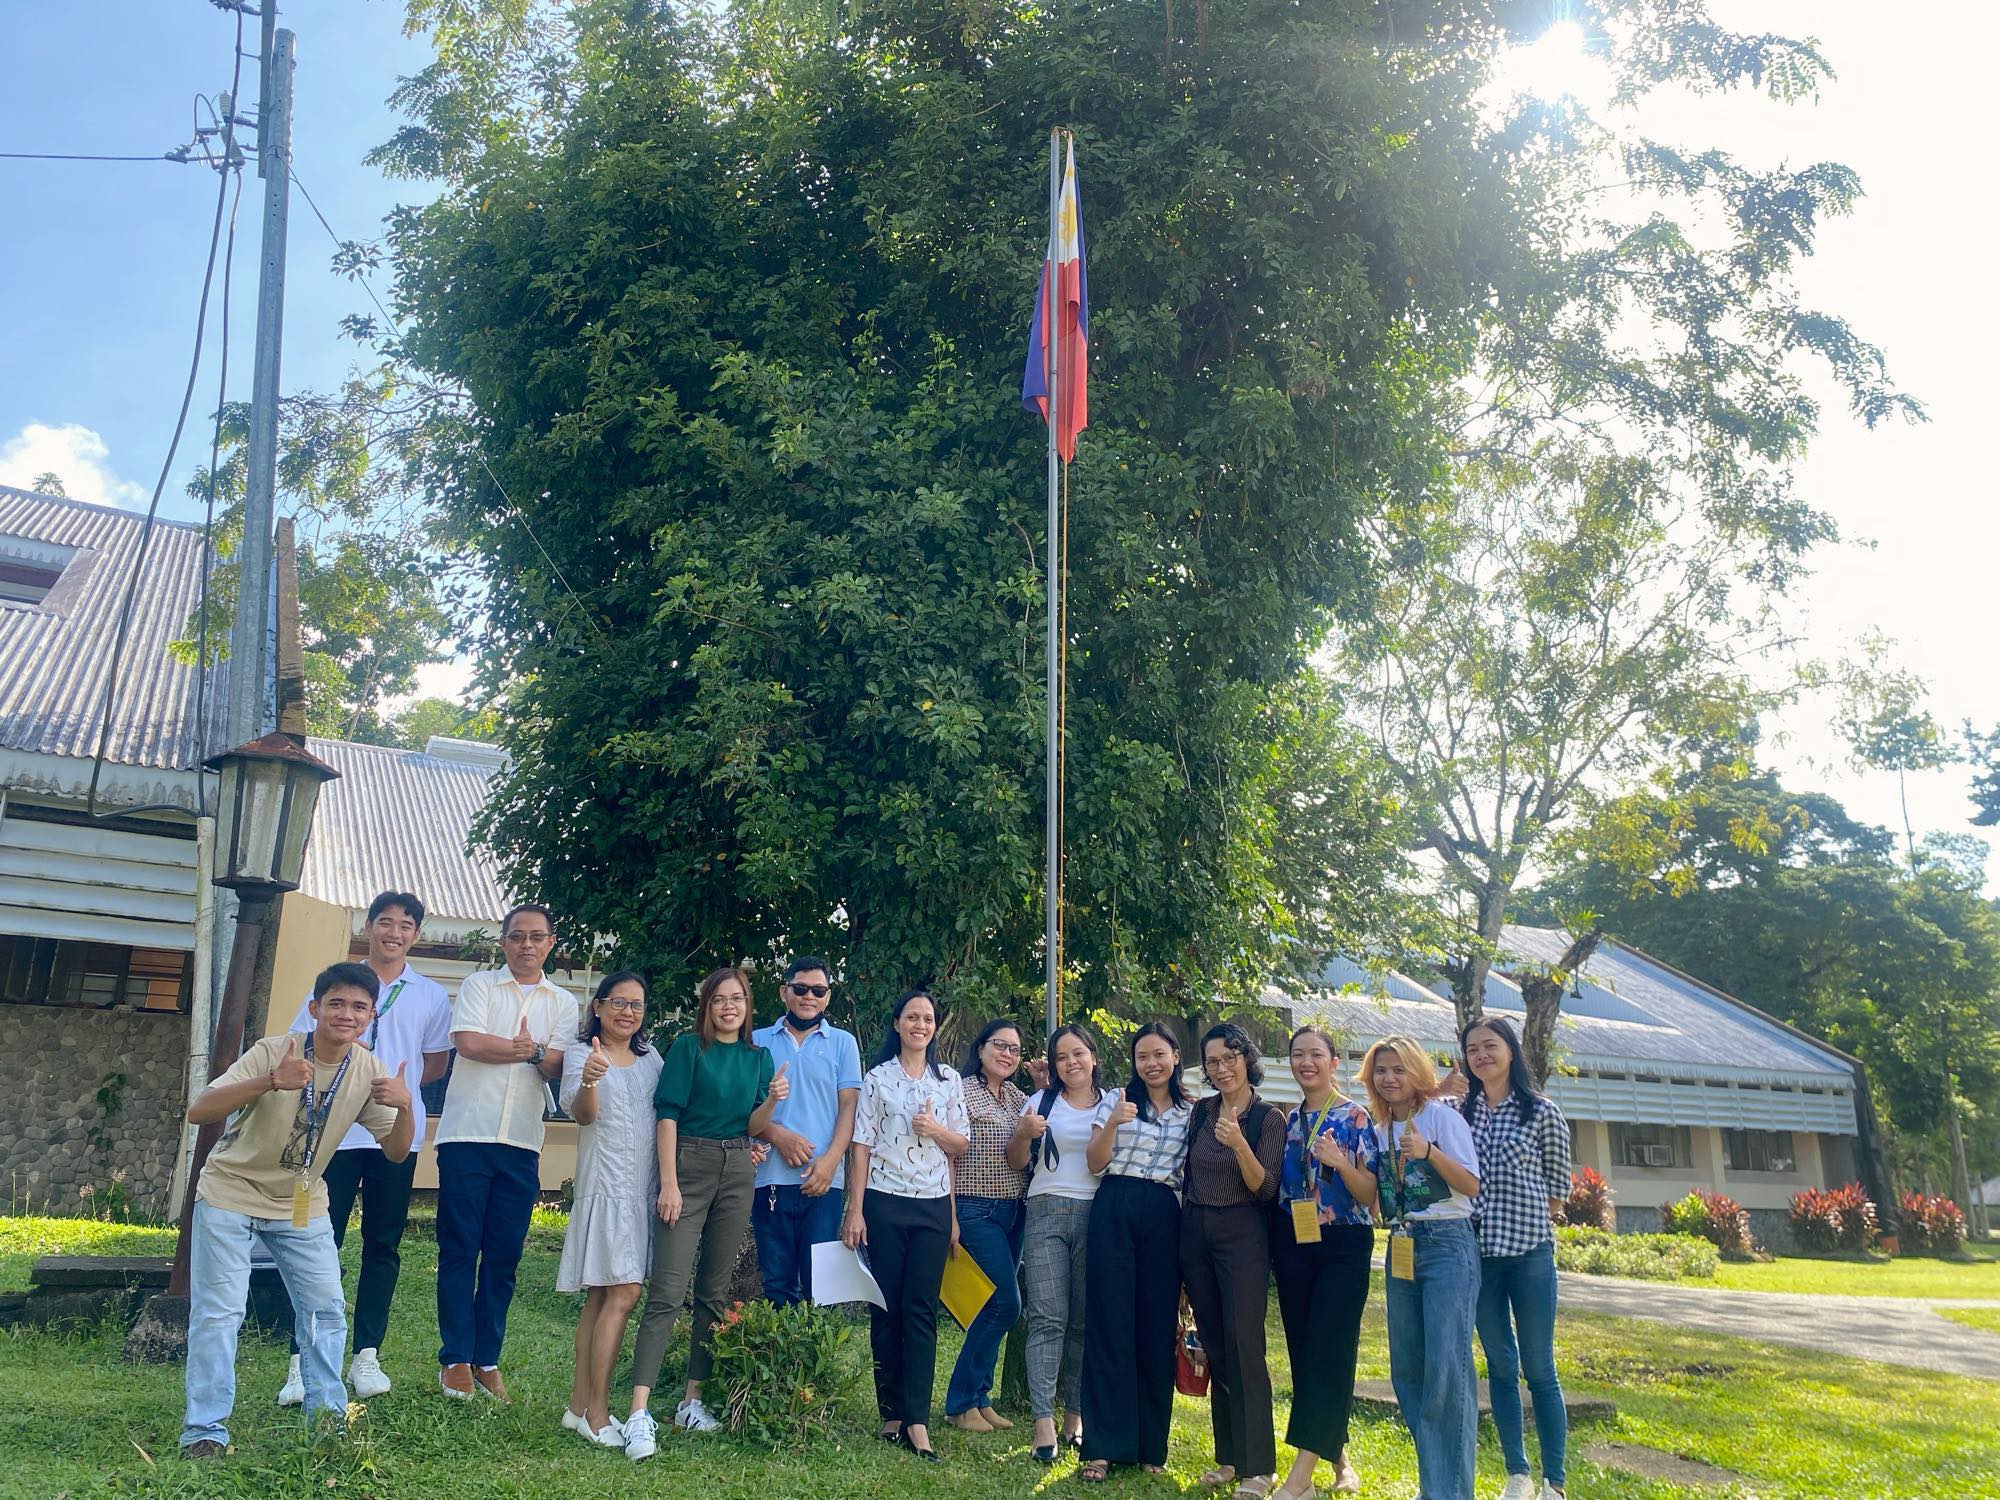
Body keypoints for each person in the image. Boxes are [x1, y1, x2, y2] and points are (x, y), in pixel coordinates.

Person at [180, 963, 415, 1458]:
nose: (347, 1014)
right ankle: (205, 1430)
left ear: (371, 1016)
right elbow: (201, 1109)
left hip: (300, 1201)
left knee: (326, 1310)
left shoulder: (368, 1070)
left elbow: (395, 1153)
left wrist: (406, 1107)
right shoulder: (274, 1050)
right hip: (230, 1191)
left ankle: (328, 1423)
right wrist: (271, 1080)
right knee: (220, 1314)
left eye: (359, 1007)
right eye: (336, 1003)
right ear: (315, 1008)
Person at [275, 891, 451, 1407]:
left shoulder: (430, 995)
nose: (394, 933)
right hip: (329, 1133)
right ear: (368, 926)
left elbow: (434, 1065)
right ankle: (301, 1361)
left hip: (393, 1134)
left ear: (417, 934)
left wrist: (396, 1088)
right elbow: (299, 1045)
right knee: (315, 1242)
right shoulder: (337, 984)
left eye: (406, 925)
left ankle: (366, 1354)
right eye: (385, 923)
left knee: (383, 1244)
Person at [621, 965, 784, 1457]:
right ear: (707, 1006)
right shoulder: (689, 1049)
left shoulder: (759, 1057)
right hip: (688, 1165)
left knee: (714, 1293)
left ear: (748, 1005)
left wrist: (773, 1101)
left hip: (737, 1168)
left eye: (737, 998)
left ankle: (692, 1401)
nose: (729, 1007)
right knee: (667, 1292)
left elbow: (753, 1124)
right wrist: (669, 1184)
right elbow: (667, 1115)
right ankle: (638, 1412)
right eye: (719, 999)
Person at [433, 903, 575, 1400]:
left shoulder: (563, 1002)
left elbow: (559, 1064)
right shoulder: (479, 986)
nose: (526, 945)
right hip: (466, 1136)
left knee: (504, 1255)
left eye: (537, 936)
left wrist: (533, 1052)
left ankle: (486, 1359)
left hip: (521, 1141)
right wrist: (529, 1051)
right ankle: (455, 1357)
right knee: (459, 1248)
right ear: (504, 942)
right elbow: (468, 1043)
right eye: (517, 936)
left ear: (550, 943)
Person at [842, 988, 970, 1462]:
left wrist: (952, 1214)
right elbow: (861, 1145)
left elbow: (959, 1146)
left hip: (933, 1206)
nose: (920, 1025)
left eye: (928, 1018)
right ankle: (891, 1412)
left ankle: (918, 1419)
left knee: (921, 1310)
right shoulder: (877, 1078)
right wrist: (855, 1209)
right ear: (897, 1024)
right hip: (884, 1202)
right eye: (912, 1017)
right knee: (887, 1308)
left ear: (935, 1027)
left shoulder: (948, 1080)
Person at [1361, 1033, 1482, 1500]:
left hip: (1447, 1243)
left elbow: (1470, 1185)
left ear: (1417, 1072)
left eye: (1398, 1069)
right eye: (1380, 1070)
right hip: (1401, 1245)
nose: (1389, 1078)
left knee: (1446, 1371)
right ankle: (1437, 1480)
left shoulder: (1442, 1118)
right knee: (1408, 1371)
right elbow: (1378, 1200)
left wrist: (1430, 1152)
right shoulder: (1379, 1131)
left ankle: (1446, 1492)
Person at [1460, 1016, 1572, 1500]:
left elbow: (1558, 1189)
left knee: (1540, 1368)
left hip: (1530, 1257)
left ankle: (1555, 1482)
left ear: (1510, 1050)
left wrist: (1523, 1221)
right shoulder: (1461, 1114)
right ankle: (1517, 1473)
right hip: (1479, 1259)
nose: (1481, 1055)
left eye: (1490, 1045)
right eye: (1472, 1049)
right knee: (1501, 1366)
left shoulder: (1542, 1112)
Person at [1078, 1022, 1193, 1482]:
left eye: (1159, 1054)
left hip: (1164, 1211)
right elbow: (1094, 1162)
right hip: (1115, 1204)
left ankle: (1151, 1446)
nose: (1151, 1063)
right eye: (1142, 1056)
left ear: (1176, 1056)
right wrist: (1112, 1123)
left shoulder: (1193, 1111)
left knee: (1155, 1326)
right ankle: (1103, 1447)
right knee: (1109, 1323)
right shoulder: (1116, 1099)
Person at [556, 971, 665, 1449]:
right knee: (624, 1292)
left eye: (637, 1005)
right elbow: (582, 1114)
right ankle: (598, 1414)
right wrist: (589, 1080)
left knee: (602, 1297)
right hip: (606, 1187)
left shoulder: (652, 1057)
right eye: (618, 1002)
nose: (628, 1012)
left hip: (644, 1188)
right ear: (598, 1006)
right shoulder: (581, 1053)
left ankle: (578, 1406)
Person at [1269, 1026, 1379, 1499]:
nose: (1306, 1062)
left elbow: (1369, 1196)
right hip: (1295, 1242)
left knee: (1330, 1350)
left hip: (1343, 1244)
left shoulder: (1355, 1117)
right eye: (1298, 1054)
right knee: (1303, 1351)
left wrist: (1341, 1161)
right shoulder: (1290, 1120)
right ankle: (1339, 1459)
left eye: (1316, 1054)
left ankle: (1300, 1481)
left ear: (1334, 1062)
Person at [1181, 1022, 1287, 1499]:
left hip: (1243, 1234)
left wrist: (1239, 1142)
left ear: (1247, 1059)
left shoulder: (1268, 1118)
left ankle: (1259, 1467)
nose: (1222, 1068)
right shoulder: (1201, 1112)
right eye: (1213, 1061)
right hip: (1196, 1231)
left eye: (1230, 1058)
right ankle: (1229, 1457)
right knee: (1216, 1345)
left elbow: (1265, 1187)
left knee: (1245, 1346)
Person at [1007, 1023, 1113, 1461]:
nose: (1071, 1063)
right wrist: (1023, 1133)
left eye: (1078, 1053)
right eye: (1061, 1057)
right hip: (1045, 1211)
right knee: (1048, 1317)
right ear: (1053, 1066)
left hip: (1097, 1214)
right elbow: (1017, 1161)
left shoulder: (1113, 1103)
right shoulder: (1040, 1102)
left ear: (1093, 1057)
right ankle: (1043, 1423)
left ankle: (1075, 1415)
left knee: (1083, 1321)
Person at [751, 955, 863, 1306]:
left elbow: (849, 1107)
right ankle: (778, 1347)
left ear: (828, 997)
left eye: (818, 990)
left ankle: (814, 1349)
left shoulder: (843, 1043)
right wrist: (777, 1135)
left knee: (821, 1290)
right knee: (777, 1285)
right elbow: (742, 1108)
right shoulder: (756, 1041)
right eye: (800, 989)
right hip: (769, 1178)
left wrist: (831, 1161)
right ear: (784, 992)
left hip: (823, 1181)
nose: (809, 996)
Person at [943, 1018, 1029, 1433]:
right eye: (1000, 1045)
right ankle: (960, 1402)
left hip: (1015, 1211)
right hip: (975, 1209)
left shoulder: (1018, 1098)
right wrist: (950, 1216)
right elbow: (947, 1156)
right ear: (981, 1049)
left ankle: (980, 1397)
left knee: (989, 1306)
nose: (1007, 1054)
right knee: (1005, 1304)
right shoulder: (960, 1090)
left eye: (1015, 1049)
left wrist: (1043, 1083)